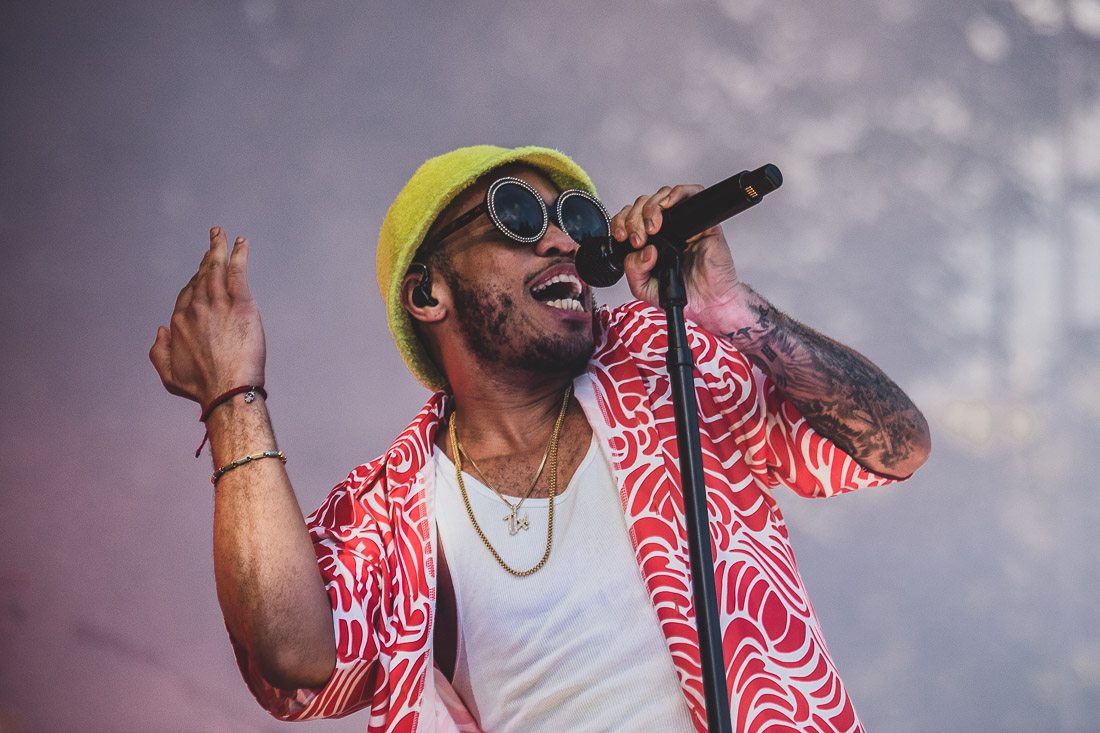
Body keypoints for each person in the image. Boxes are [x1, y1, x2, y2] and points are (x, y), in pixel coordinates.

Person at [150, 144, 930, 733]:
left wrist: (726, 306)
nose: (562, 243)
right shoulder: (391, 506)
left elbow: (895, 444)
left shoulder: (666, 361)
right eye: (518, 215)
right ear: (428, 290)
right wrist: (233, 398)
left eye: (578, 221)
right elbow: (290, 655)